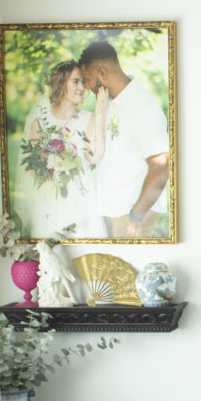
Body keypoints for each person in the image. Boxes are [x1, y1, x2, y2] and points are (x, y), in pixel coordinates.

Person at [79, 40, 169, 238]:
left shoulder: (143, 107)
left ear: (103, 73)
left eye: (88, 80)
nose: (87, 87)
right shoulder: (110, 102)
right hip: (112, 212)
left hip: (132, 217)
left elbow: (161, 167)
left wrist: (136, 217)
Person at [18, 60, 108, 238]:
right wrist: (55, 168)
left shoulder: (88, 119)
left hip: (81, 200)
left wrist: (100, 115)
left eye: (83, 82)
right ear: (61, 83)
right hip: (49, 202)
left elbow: (94, 157)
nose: (81, 87)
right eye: (75, 81)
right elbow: (33, 169)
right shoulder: (40, 122)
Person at [36, 240, 78, 307]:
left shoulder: (49, 255)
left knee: (64, 285)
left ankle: (73, 298)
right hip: (52, 275)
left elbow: (58, 267)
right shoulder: (42, 256)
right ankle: (56, 297)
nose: (39, 251)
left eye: (39, 249)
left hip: (58, 273)